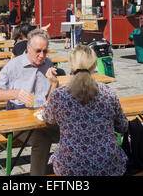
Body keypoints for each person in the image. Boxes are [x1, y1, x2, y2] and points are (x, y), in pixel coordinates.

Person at [42, 44, 128, 176]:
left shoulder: (60, 95)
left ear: (71, 65)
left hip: (72, 166)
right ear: (94, 64)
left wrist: (53, 84)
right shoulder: (107, 92)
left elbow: (47, 117)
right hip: (108, 165)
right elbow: (123, 126)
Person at [0, 28, 60, 176]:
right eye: (38, 51)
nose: (42, 55)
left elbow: (50, 102)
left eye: (45, 51)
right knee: (42, 139)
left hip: (43, 119)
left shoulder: (48, 63)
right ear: (28, 48)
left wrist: (54, 85)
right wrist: (15, 93)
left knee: (75, 128)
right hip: (18, 122)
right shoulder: (14, 65)